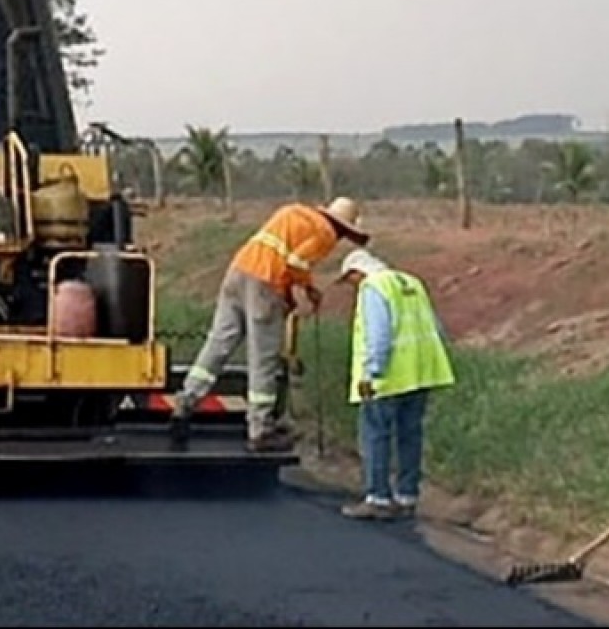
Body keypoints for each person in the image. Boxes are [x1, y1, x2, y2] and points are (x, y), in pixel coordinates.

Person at [168, 196, 368, 453]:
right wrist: (304, 290)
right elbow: (295, 263)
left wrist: (304, 287)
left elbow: (280, 253)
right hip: (265, 285)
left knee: (218, 344)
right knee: (263, 359)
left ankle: (185, 403)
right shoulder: (325, 232)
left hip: (237, 273)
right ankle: (260, 430)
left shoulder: (294, 212)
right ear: (344, 228)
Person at [336, 248, 455, 520]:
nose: (353, 288)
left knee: (375, 435)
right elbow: (434, 326)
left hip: (388, 378)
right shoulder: (411, 282)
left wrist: (371, 373)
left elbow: (379, 333)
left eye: (350, 282)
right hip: (420, 375)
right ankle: (407, 495)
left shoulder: (373, 287)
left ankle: (378, 497)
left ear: (357, 273)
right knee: (410, 436)